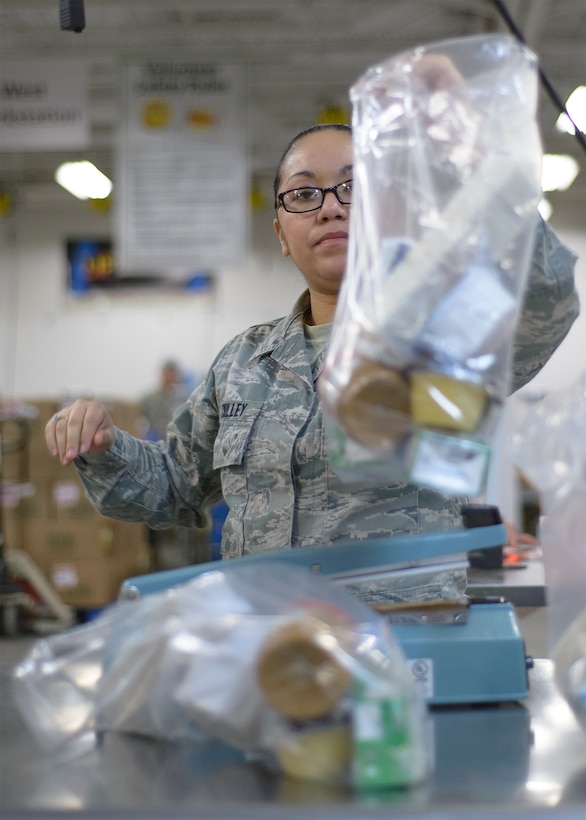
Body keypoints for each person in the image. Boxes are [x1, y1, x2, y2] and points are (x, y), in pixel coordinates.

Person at [44, 118, 579, 604]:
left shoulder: (440, 343)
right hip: (266, 650)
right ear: (280, 233)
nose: (329, 206)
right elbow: (174, 488)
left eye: (354, 188)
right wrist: (106, 445)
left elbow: (546, 299)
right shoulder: (242, 363)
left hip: (403, 649)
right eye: (303, 194)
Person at [140, 360, 189, 442]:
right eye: (169, 372)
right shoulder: (149, 398)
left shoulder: (184, 398)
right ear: (163, 373)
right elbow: (139, 420)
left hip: (176, 442)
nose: (171, 376)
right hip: (156, 441)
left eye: (174, 373)